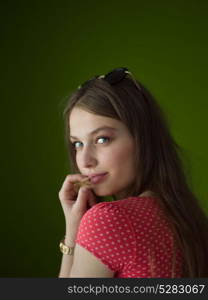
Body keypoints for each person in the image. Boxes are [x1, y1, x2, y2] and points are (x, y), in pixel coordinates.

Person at [58, 67, 208, 278]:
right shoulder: (187, 218)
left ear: (143, 138)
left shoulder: (107, 220)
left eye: (102, 139)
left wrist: (72, 231)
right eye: (78, 144)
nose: (84, 160)